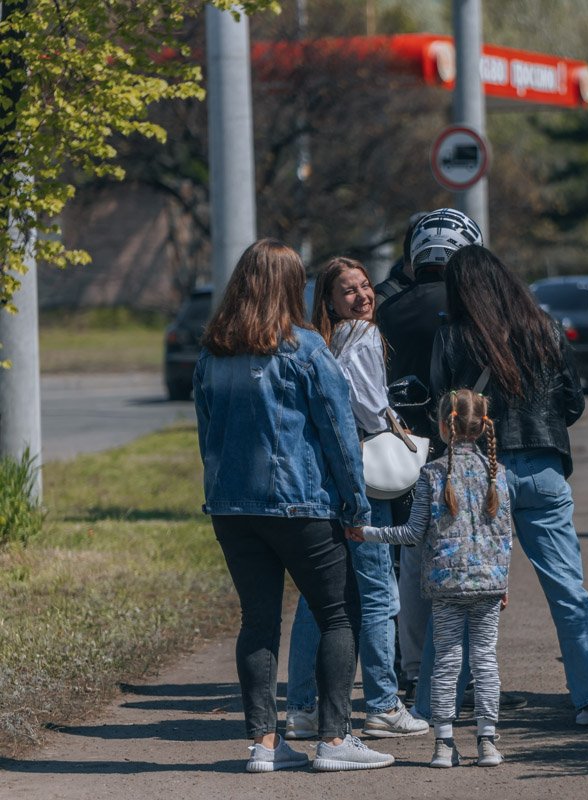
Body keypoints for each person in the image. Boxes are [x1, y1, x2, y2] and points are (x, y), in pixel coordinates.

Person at [193, 239, 392, 772]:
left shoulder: (212, 353)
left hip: (232, 508)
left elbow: (207, 434)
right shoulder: (305, 349)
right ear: (290, 287)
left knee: (257, 622)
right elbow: (339, 434)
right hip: (302, 505)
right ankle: (333, 738)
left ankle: (264, 744)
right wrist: (356, 508)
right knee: (338, 612)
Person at [432, 244, 588, 726]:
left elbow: (445, 406)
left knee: (462, 587)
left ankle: (441, 706)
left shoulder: (453, 336)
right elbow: (573, 403)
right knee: (567, 586)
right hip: (544, 470)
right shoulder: (546, 328)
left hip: (482, 475)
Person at [283, 257, 428, 740]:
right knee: (378, 592)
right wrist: (392, 417)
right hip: (367, 481)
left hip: (323, 481)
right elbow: (368, 407)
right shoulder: (364, 337)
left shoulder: (317, 345)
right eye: (349, 290)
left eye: (366, 286)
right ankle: (384, 703)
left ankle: (301, 708)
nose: (363, 296)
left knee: (317, 597)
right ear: (328, 299)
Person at [350, 389, 512, 769]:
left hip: (446, 587)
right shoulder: (499, 474)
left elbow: (410, 534)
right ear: (483, 425)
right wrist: (503, 582)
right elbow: (505, 534)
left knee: (446, 663)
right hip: (489, 584)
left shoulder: (432, 475)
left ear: (443, 426)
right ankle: (487, 742)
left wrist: (367, 532)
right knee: (485, 661)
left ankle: (443, 744)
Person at [374, 208, 483, 711]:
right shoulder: (476, 308)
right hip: (465, 451)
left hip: (401, 454)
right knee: (469, 569)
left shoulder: (385, 308)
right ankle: (469, 677)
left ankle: (414, 672)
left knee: (409, 567)